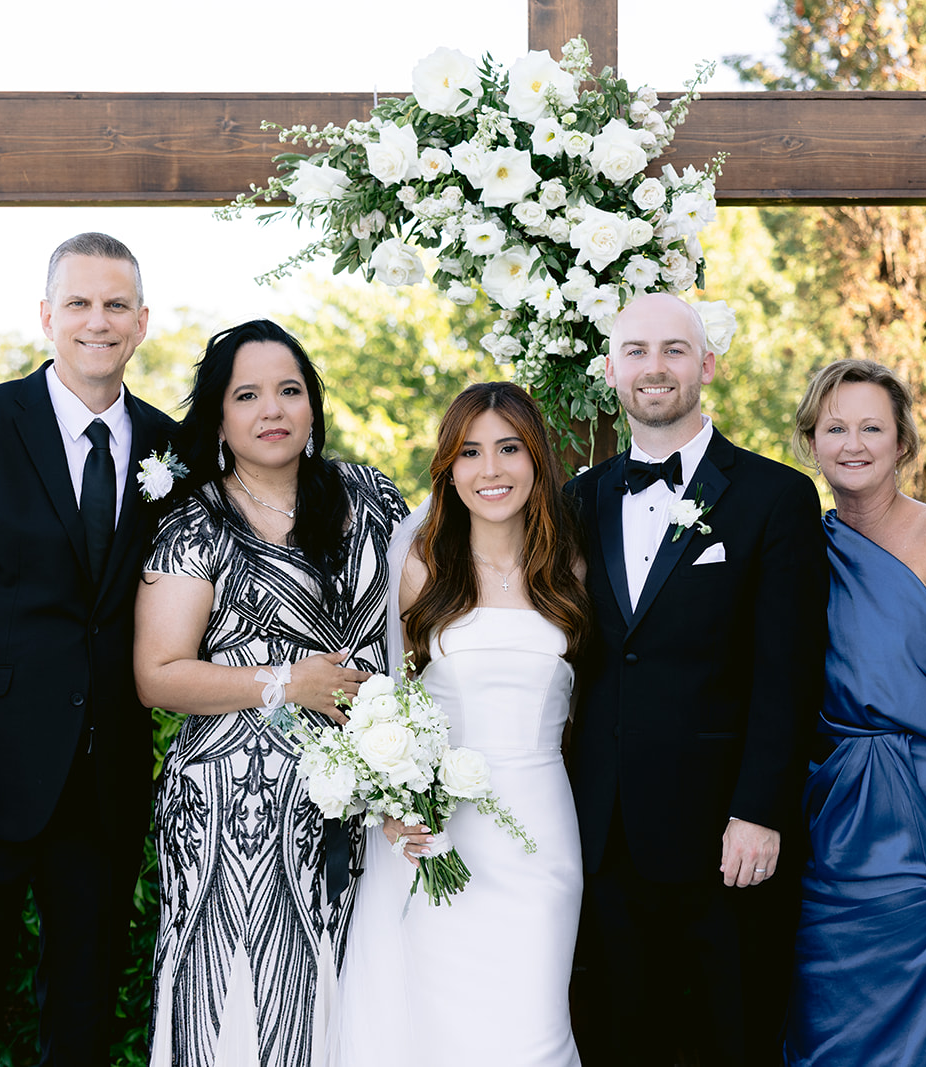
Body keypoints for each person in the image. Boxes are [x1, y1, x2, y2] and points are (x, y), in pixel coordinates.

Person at [0, 232, 176, 1063]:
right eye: (79, 303)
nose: (98, 321)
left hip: (103, 792)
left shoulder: (170, 447)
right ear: (47, 317)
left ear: (142, 321)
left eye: (116, 304)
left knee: (81, 1032)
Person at [133, 319, 407, 1066]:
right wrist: (287, 681)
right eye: (247, 395)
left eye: (289, 390)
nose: (273, 410)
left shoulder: (373, 497)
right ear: (219, 416)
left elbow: (422, 614)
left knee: (351, 1005)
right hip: (231, 815)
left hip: (363, 798)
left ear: (313, 404)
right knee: (235, 1016)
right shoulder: (195, 523)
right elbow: (158, 674)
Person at [567, 292, 829, 1066]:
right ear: (610, 370)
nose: (655, 367)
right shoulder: (576, 499)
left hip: (726, 838)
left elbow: (790, 674)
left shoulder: (776, 497)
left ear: (707, 364)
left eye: (674, 350)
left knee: (732, 1039)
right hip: (604, 836)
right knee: (616, 1042)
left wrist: (759, 811)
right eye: (637, 351)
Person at [329, 381, 593, 1066]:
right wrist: (393, 810)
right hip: (439, 835)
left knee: (532, 1032)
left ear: (537, 459)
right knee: (441, 1031)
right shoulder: (422, 566)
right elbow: (384, 702)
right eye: (470, 452)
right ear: (448, 467)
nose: (490, 469)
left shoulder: (571, 566)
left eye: (509, 448)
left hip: (540, 835)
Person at [785, 359, 926, 1066]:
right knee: (823, 1026)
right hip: (831, 823)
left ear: (902, 442)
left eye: (872, 428)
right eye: (835, 428)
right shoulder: (800, 546)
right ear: (811, 443)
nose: (853, 444)